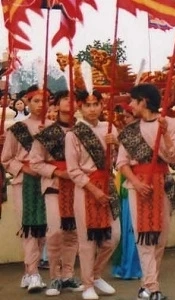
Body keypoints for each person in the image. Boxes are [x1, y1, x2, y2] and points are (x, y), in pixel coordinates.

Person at [116, 84, 175, 300]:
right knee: (144, 237)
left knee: (160, 239)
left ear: (143, 101)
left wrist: (164, 136)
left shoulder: (169, 123)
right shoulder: (130, 131)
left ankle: (146, 286)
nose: (131, 106)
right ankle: (153, 288)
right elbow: (122, 163)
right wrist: (136, 183)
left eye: (134, 102)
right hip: (139, 187)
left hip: (162, 184)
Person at [65, 89, 120, 299]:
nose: (92, 109)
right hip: (86, 189)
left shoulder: (110, 128)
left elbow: (120, 159)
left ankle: (96, 274)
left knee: (113, 237)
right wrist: (93, 189)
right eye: (87, 105)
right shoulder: (73, 134)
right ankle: (87, 284)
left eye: (95, 104)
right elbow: (73, 170)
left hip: (108, 185)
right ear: (80, 107)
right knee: (87, 240)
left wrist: (116, 144)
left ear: (101, 105)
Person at [30, 90, 84, 295]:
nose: (69, 103)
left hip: (79, 185)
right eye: (64, 99)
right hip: (54, 185)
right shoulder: (46, 133)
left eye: (73, 99)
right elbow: (35, 162)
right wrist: (57, 172)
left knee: (73, 233)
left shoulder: (83, 130)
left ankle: (68, 275)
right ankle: (54, 276)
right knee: (55, 231)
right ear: (57, 104)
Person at [2, 86, 50, 293]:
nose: (40, 105)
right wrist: (24, 168)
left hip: (48, 182)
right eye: (36, 101)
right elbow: (6, 158)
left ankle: (28, 271)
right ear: (28, 103)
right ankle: (33, 273)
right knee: (30, 229)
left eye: (44, 101)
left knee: (44, 231)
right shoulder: (17, 128)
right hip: (24, 183)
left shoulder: (53, 127)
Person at [110, 103, 143, 280]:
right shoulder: (124, 135)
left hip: (140, 182)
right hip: (124, 183)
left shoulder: (142, 134)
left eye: (128, 117)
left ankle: (134, 267)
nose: (125, 120)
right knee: (125, 227)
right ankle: (126, 265)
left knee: (134, 227)